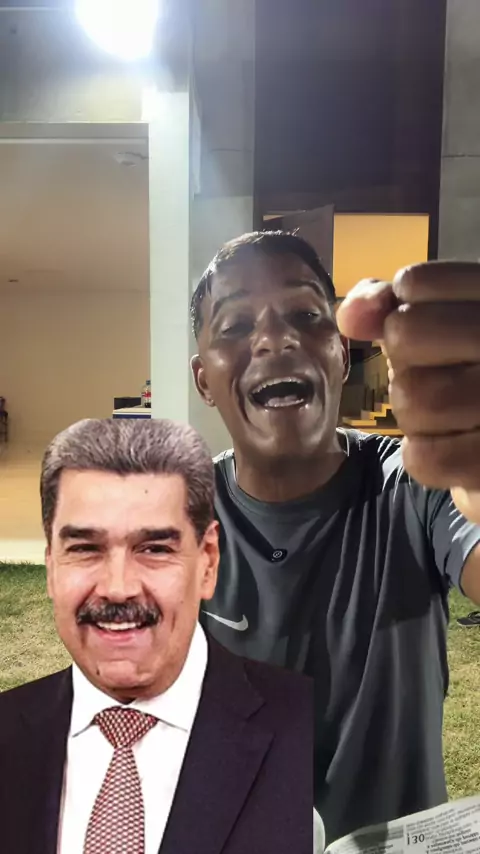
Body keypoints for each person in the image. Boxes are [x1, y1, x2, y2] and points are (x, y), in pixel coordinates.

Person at [190, 230, 480, 843]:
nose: (274, 339)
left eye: (304, 315)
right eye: (236, 325)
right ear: (204, 380)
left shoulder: (416, 486)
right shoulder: (178, 519)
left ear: (342, 354)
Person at [0, 418, 313, 854]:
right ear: (51, 565)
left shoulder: (306, 728)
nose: (118, 587)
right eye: (85, 548)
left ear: (208, 562)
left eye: (154, 549)